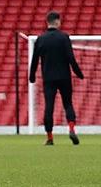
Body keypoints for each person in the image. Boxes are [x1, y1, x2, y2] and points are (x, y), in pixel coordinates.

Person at [31, 11, 85, 146]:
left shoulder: (41, 39)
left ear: (47, 22)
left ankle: (49, 137)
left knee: (49, 106)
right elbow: (70, 58)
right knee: (68, 103)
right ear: (57, 22)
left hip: (48, 78)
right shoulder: (64, 37)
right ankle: (72, 129)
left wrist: (31, 76)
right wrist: (79, 73)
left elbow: (34, 60)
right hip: (64, 77)